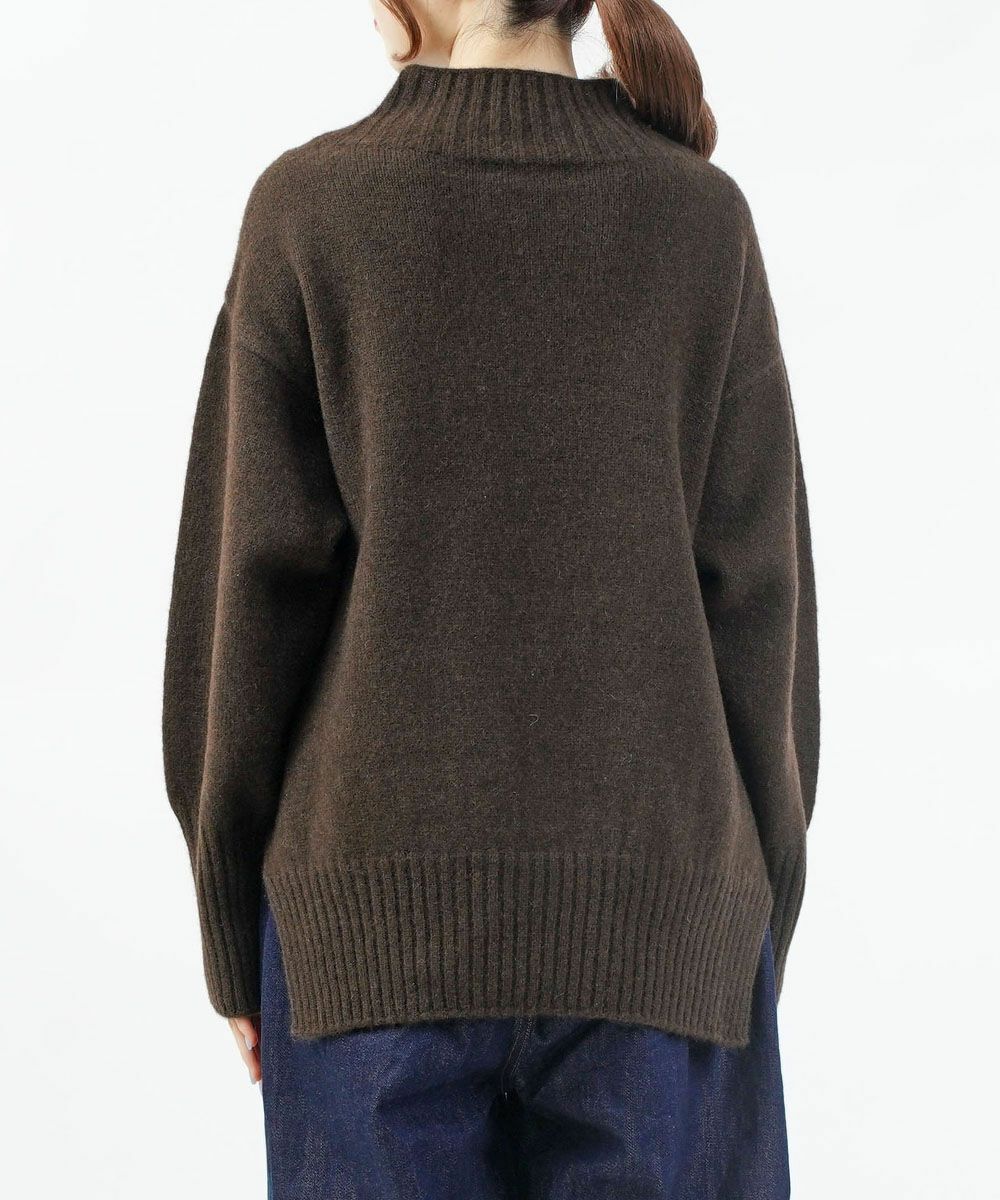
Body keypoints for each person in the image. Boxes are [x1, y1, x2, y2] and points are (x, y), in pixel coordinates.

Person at [162, 1, 819, 1195]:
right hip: (662, 944)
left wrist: (231, 933)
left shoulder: (313, 207)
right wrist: (743, 931)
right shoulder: (701, 219)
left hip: (368, 946)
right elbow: (759, 606)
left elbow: (244, 608)